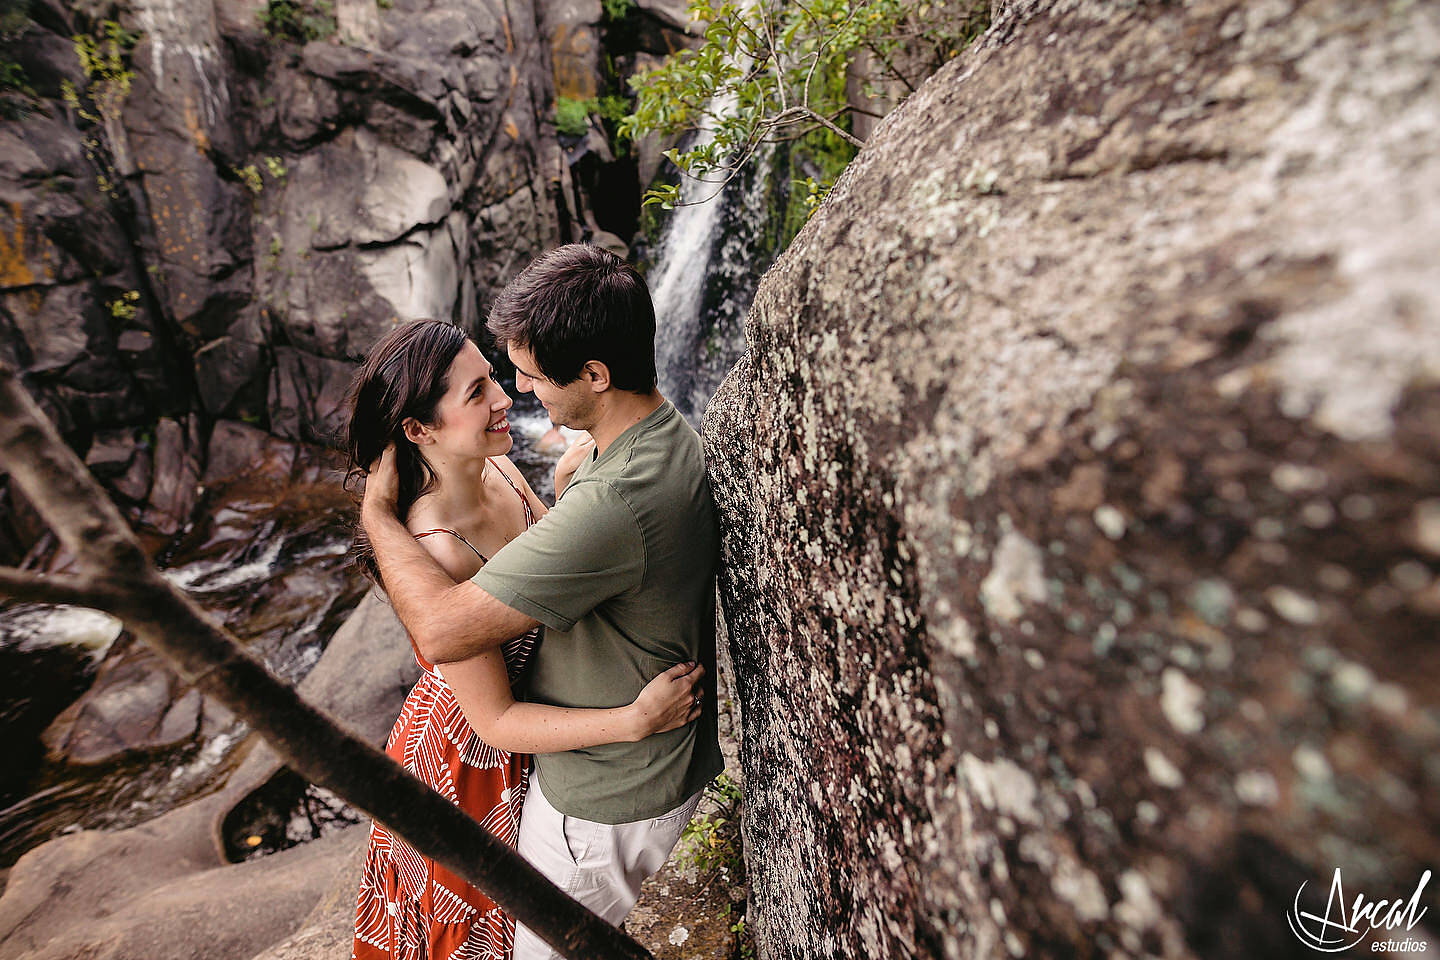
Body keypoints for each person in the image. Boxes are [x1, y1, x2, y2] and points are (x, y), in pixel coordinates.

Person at [360, 244, 724, 960]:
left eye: (518, 375)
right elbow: (479, 697)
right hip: (475, 752)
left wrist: (373, 515)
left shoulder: (573, 485)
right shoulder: (642, 442)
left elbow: (451, 623)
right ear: (420, 432)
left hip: (588, 788)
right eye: (487, 387)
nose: (516, 395)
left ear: (595, 374)